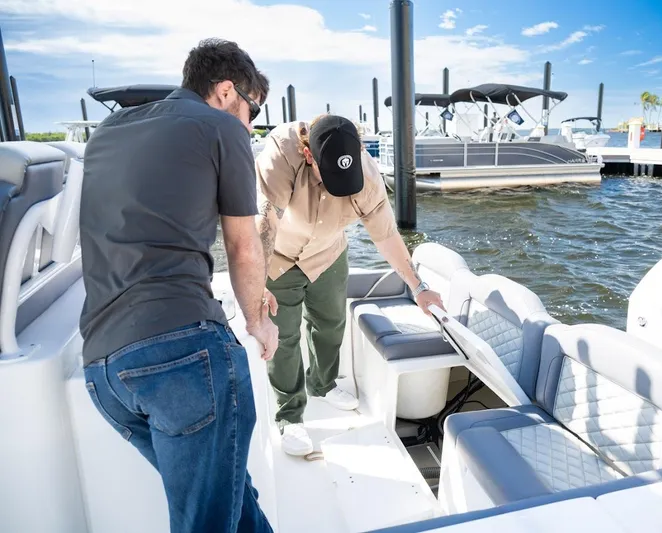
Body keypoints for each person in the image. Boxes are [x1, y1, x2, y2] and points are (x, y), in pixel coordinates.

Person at [79, 38, 276, 533]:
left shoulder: (105, 132)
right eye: (253, 110)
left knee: (230, 498)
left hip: (104, 374)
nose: (251, 124)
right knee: (209, 518)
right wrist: (259, 320)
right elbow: (243, 245)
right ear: (227, 91)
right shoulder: (222, 129)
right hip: (182, 360)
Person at [254, 115, 445, 456]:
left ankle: (322, 384)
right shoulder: (281, 154)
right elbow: (265, 221)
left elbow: (385, 234)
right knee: (284, 336)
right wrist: (257, 282)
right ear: (308, 155)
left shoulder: (367, 175)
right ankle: (289, 415)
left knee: (330, 323)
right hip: (279, 256)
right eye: (329, 180)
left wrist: (418, 287)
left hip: (327, 254)